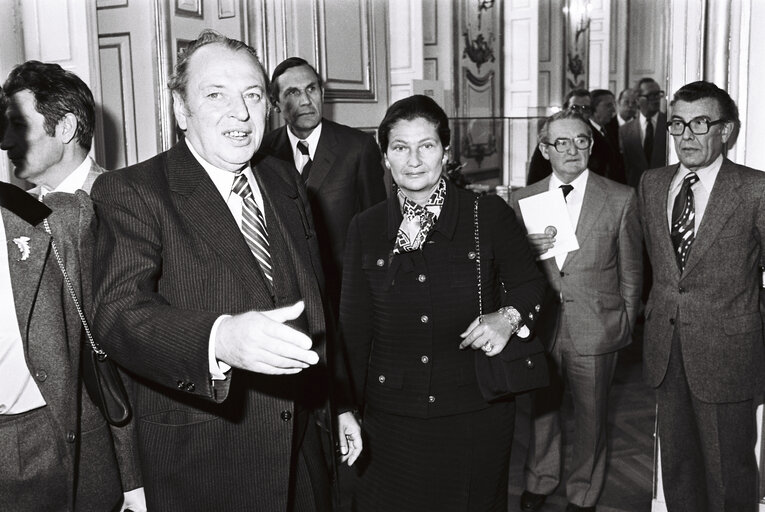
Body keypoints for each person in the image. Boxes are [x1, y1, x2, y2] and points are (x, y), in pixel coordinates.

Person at [90, 30, 361, 511]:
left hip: (303, 448)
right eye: (216, 94)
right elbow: (118, 314)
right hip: (208, 461)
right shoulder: (133, 190)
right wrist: (218, 339)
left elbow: (316, 297)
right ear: (181, 109)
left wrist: (339, 405)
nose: (240, 113)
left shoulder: (282, 179)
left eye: (252, 95)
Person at [340, 94, 547, 512]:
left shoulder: (487, 215)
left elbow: (532, 286)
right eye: (400, 147)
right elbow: (353, 328)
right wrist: (345, 406)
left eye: (427, 146)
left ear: (445, 153)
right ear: (385, 157)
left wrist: (507, 318)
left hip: (474, 413)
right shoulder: (366, 227)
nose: (414, 160)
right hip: (391, 416)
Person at [1, 69, 145, 510]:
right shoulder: (19, 212)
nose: (6, 141)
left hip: (95, 445)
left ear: (63, 128)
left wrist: (134, 477)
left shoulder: (124, 204)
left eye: (16, 123)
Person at [639, 80, 764, 511]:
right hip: (665, 350)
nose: (686, 136)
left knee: (730, 476)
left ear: (726, 131)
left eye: (700, 123)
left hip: (728, 353)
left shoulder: (754, 189)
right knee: (677, 470)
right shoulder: (652, 184)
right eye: (677, 124)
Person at [512, 110, 642, 512]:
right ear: (544, 148)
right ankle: (540, 477)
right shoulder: (522, 199)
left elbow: (632, 273)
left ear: (591, 144)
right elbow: (510, 273)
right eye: (561, 142)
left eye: (581, 140)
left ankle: (584, 491)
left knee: (592, 418)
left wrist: (623, 322)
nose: (572, 150)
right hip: (541, 328)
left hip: (596, 327)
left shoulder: (620, 197)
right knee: (541, 412)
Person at [261, 57, 387, 310]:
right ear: (275, 104)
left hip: (347, 295)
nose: (306, 101)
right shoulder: (264, 152)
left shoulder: (357, 148)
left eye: (311, 89)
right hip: (291, 298)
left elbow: (378, 230)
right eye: (293, 92)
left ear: (322, 92)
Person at [1, 61, 105, 195]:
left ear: (66, 127)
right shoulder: (14, 209)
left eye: (20, 125)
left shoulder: (128, 201)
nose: (5, 144)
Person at [527, 89, 621, 185]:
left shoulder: (600, 139)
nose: (580, 112)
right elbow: (536, 176)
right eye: (575, 107)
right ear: (565, 108)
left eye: (585, 108)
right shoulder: (551, 135)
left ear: (590, 112)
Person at [620, 77, 668, 188]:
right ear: (637, 99)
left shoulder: (669, 125)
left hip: (664, 190)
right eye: (650, 95)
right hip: (636, 192)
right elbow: (626, 168)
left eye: (658, 94)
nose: (656, 99)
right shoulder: (625, 130)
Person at [590, 89, 626, 184]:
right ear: (594, 108)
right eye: (608, 105)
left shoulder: (610, 130)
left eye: (613, 105)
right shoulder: (587, 134)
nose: (614, 110)